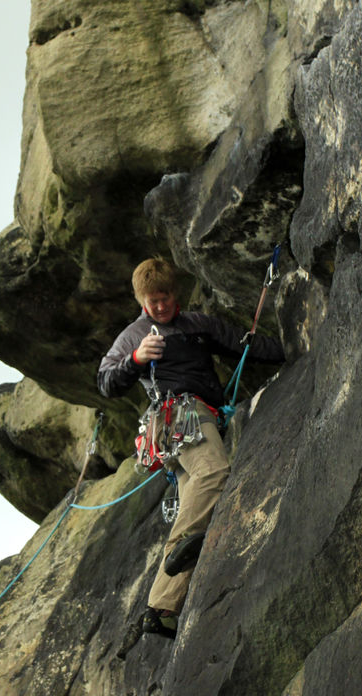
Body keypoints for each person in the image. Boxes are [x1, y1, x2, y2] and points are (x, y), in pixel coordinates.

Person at [97, 257, 284, 638]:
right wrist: (135, 360)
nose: (160, 307)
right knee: (214, 474)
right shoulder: (134, 336)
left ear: (173, 294)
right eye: (152, 302)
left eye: (164, 298)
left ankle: (160, 609)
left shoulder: (199, 324)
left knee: (197, 503)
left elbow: (242, 344)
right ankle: (180, 549)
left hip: (193, 422)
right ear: (142, 302)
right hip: (179, 416)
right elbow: (105, 382)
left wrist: (289, 348)